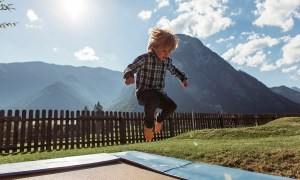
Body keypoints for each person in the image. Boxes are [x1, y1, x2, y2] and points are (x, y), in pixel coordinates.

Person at [123, 28, 189, 142]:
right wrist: (129, 75)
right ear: (154, 46)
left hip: (158, 93)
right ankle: (148, 126)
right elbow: (131, 67)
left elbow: (174, 70)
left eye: (169, 51)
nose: (167, 54)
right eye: (164, 50)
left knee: (171, 106)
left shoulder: (167, 61)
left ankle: (159, 119)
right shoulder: (144, 58)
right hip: (144, 93)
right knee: (153, 100)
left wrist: (182, 78)